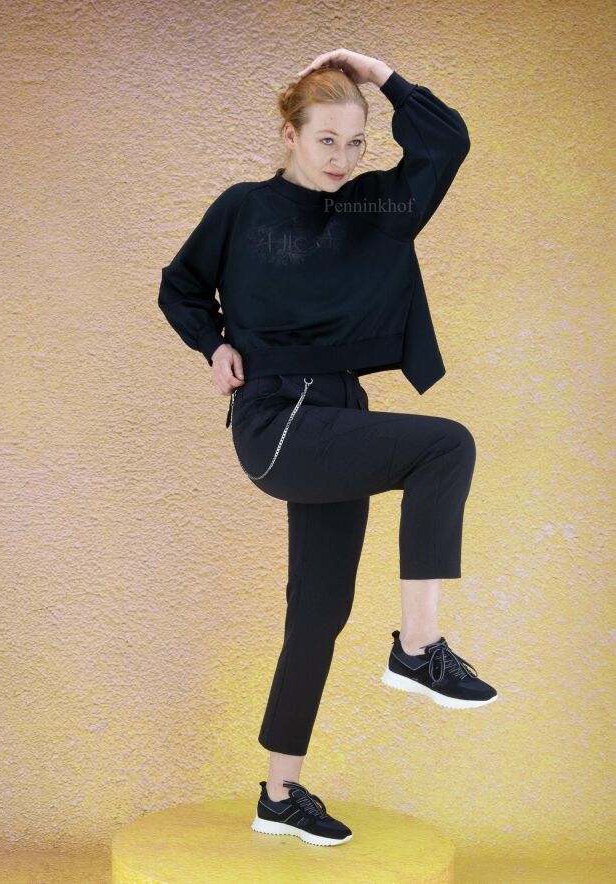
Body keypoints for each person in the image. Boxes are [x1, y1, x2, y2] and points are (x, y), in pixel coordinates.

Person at [157, 47, 498, 847]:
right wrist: (212, 344)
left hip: (339, 413)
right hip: (279, 421)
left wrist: (380, 74)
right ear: (289, 135)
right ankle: (418, 647)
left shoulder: (374, 207)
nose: (342, 158)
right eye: (325, 141)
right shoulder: (243, 208)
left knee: (318, 611)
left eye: (355, 142)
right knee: (445, 446)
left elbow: (447, 141)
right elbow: (180, 285)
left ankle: (279, 794)